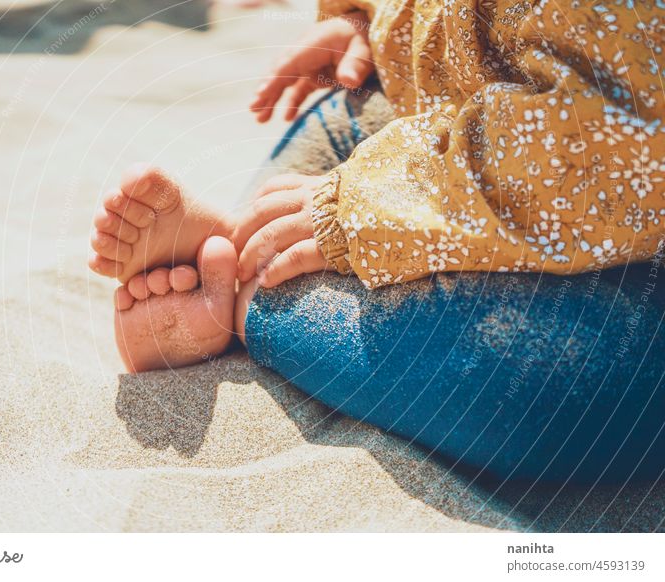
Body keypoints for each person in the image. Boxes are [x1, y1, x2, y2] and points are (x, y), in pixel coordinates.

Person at [89, 1, 665, 484]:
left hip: (613, 208)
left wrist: (365, 207)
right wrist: (369, 20)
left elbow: (612, 139)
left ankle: (246, 295)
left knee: (567, 396)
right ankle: (244, 249)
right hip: (448, 119)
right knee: (346, 116)